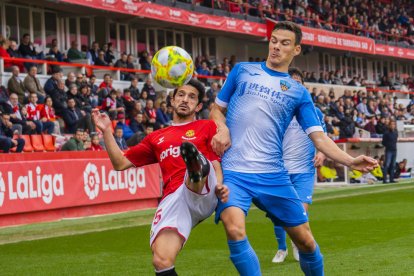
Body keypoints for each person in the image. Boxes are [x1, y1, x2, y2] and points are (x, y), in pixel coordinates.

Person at [209, 21, 377, 276]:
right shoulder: (242, 70)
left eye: (284, 43)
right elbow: (216, 109)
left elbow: (319, 139)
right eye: (274, 40)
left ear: (296, 50)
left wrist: (350, 161)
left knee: (306, 242)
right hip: (235, 172)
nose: (276, 46)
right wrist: (221, 128)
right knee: (234, 229)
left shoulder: (299, 93)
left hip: (273, 175)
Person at [92, 78, 229, 275]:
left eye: (191, 97)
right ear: (172, 101)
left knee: (197, 165)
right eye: (180, 95)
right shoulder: (156, 138)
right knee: (161, 260)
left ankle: (195, 168)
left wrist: (219, 186)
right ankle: (193, 165)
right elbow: (120, 163)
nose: (185, 100)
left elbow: (215, 163)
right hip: (174, 198)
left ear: (198, 106)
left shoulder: (206, 126)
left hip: (204, 190)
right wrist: (106, 131)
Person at [272, 67, 326, 264]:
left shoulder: (314, 112)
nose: (294, 85)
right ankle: (281, 248)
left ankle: (296, 243)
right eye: (290, 82)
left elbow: (322, 136)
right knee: (278, 213)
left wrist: (321, 153)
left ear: (303, 86)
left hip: (304, 170)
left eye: (298, 82)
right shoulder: (276, 111)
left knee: (299, 212)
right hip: (280, 170)